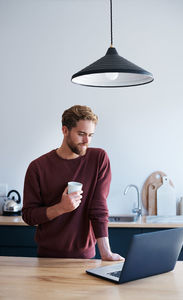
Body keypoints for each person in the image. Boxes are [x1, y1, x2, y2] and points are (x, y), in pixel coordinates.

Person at [22, 105, 124, 261]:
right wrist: (60, 208)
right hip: (47, 258)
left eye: (90, 135)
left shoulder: (98, 159)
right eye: (81, 134)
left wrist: (106, 253)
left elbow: (98, 208)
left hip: (85, 257)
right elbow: (29, 216)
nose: (86, 141)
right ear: (65, 130)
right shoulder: (38, 167)